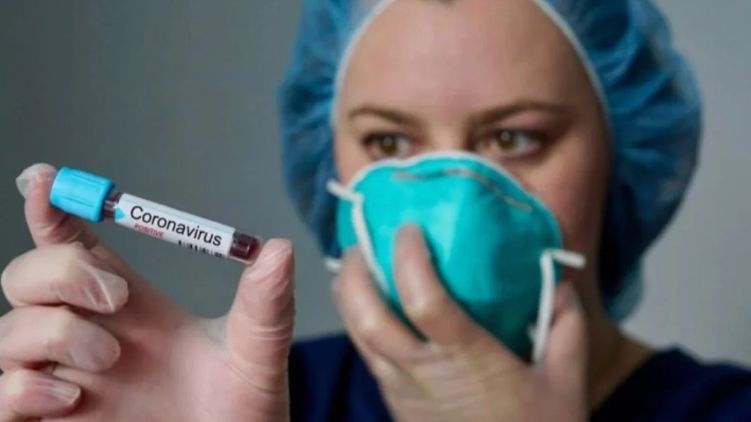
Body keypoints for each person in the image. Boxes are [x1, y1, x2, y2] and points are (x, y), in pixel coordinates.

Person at [0, 0, 749, 421]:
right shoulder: (254, 394)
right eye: (390, 142)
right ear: (331, 162)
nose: (449, 199)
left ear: (624, 150)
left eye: (513, 137)